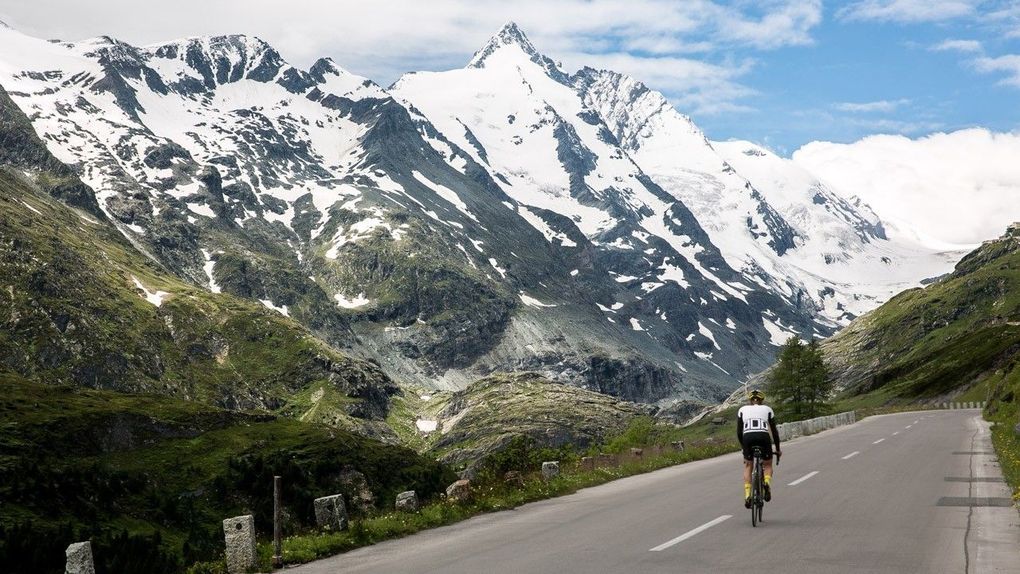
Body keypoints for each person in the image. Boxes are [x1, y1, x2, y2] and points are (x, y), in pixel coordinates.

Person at [737, 389, 781, 508]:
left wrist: (743, 448)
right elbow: (775, 433)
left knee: (748, 466)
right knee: (767, 465)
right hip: (763, 436)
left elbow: (739, 432)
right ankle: (766, 482)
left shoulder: (742, 410)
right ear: (762, 400)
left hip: (747, 438)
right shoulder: (768, 409)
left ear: (750, 400)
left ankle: (747, 495)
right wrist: (777, 449)